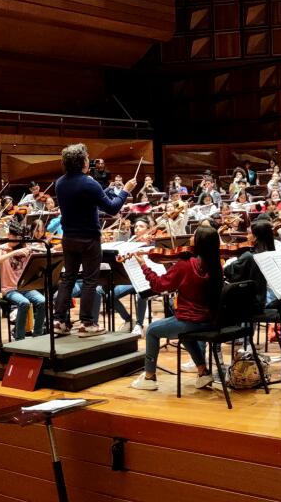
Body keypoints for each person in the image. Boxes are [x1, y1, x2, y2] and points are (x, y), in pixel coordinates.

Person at [53, 143, 136, 336]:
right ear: (82, 161)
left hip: (69, 238)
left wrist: (101, 188)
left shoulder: (60, 183)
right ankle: (87, 324)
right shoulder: (89, 183)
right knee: (90, 280)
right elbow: (113, 208)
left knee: (68, 278)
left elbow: (86, 199)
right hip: (89, 239)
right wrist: (125, 190)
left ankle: (59, 321)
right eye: (87, 158)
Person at [130, 225, 222, 390]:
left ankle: (149, 377)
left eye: (194, 235)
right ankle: (202, 372)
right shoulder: (217, 265)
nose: (190, 238)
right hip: (211, 320)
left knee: (151, 330)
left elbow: (159, 285)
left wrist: (144, 265)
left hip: (192, 321)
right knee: (184, 333)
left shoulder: (185, 265)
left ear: (199, 242)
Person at [0, 224, 47, 341]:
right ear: (9, 235)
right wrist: (13, 253)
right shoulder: (2, 247)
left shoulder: (25, 247)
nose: (17, 241)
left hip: (25, 287)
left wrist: (34, 252)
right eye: (14, 237)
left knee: (43, 301)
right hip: (9, 289)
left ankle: (38, 335)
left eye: (19, 238)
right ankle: (19, 338)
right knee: (24, 303)